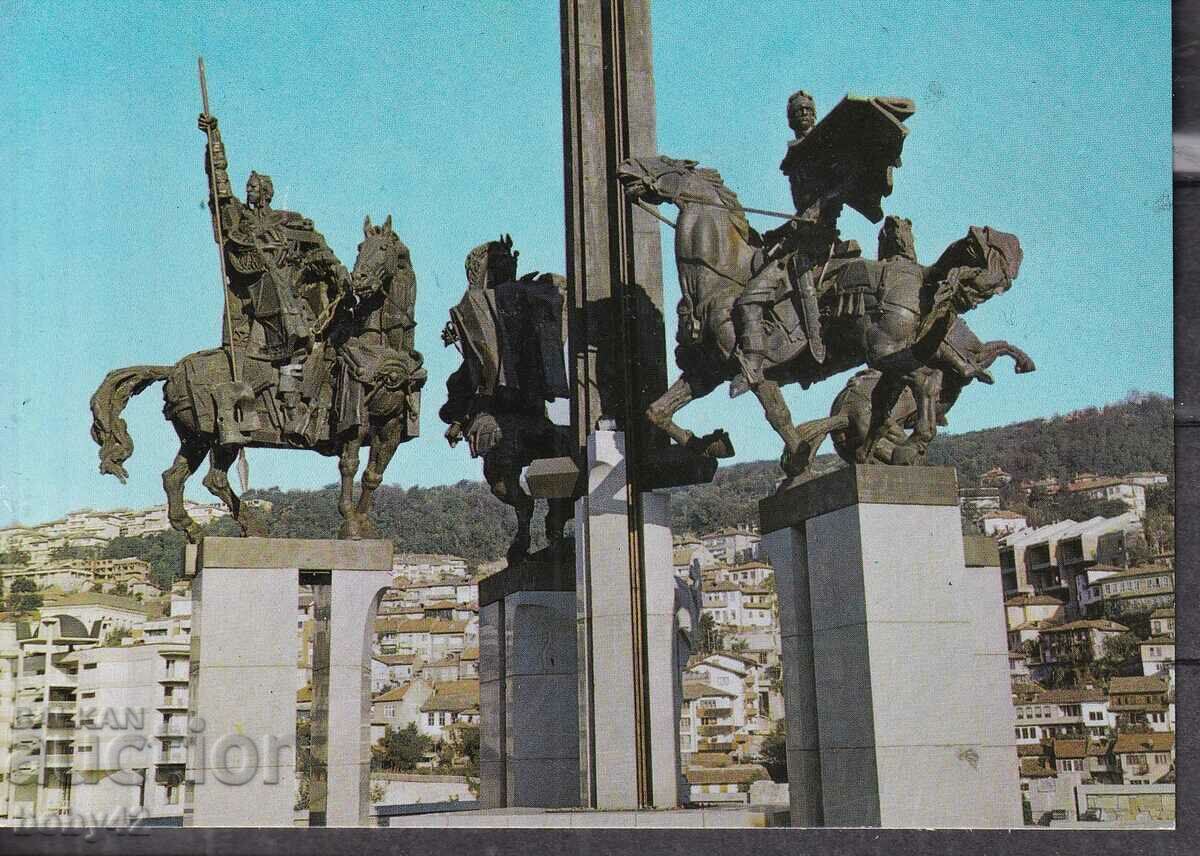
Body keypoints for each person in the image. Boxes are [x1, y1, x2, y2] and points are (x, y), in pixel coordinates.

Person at [198, 112, 350, 438]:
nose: (249, 190)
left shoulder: (287, 220)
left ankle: (297, 403)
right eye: (248, 187)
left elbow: (320, 250)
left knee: (305, 333)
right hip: (257, 295)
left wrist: (338, 270)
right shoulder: (241, 219)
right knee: (288, 322)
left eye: (254, 187)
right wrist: (214, 142)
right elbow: (220, 190)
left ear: (266, 191)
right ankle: (290, 408)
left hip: (292, 296)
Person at [733, 90, 842, 378]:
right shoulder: (795, 152)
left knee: (750, 298)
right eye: (797, 112)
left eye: (807, 110)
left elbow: (837, 187)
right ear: (790, 120)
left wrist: (815, 211)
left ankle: (757, 360)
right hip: (800, 232)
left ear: (814, 114)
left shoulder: (825, 146)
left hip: (818, 237)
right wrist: (785, 227)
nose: (803, 115)